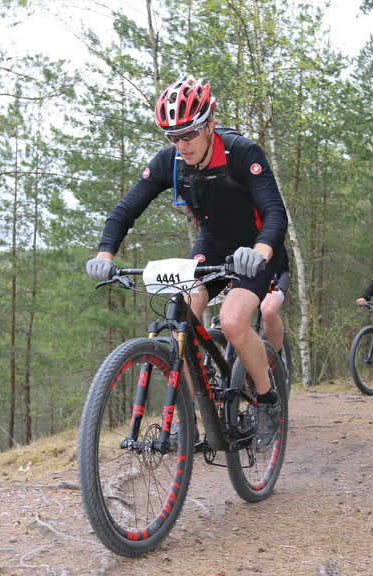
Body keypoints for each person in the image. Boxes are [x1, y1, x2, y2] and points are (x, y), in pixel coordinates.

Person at [85, 75, 288, 452]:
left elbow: (275, 214)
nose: (182, 144)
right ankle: (195, 414)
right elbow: (127, 208)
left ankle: (267, 401)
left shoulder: (243, 152)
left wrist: (260, 252)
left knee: (232, 320)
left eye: (190, 133)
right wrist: (104, 253)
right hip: (212, 244)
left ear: (210, 124)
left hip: (257, 251)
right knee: (184, 306)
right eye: (173, 136)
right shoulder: (171, 161)